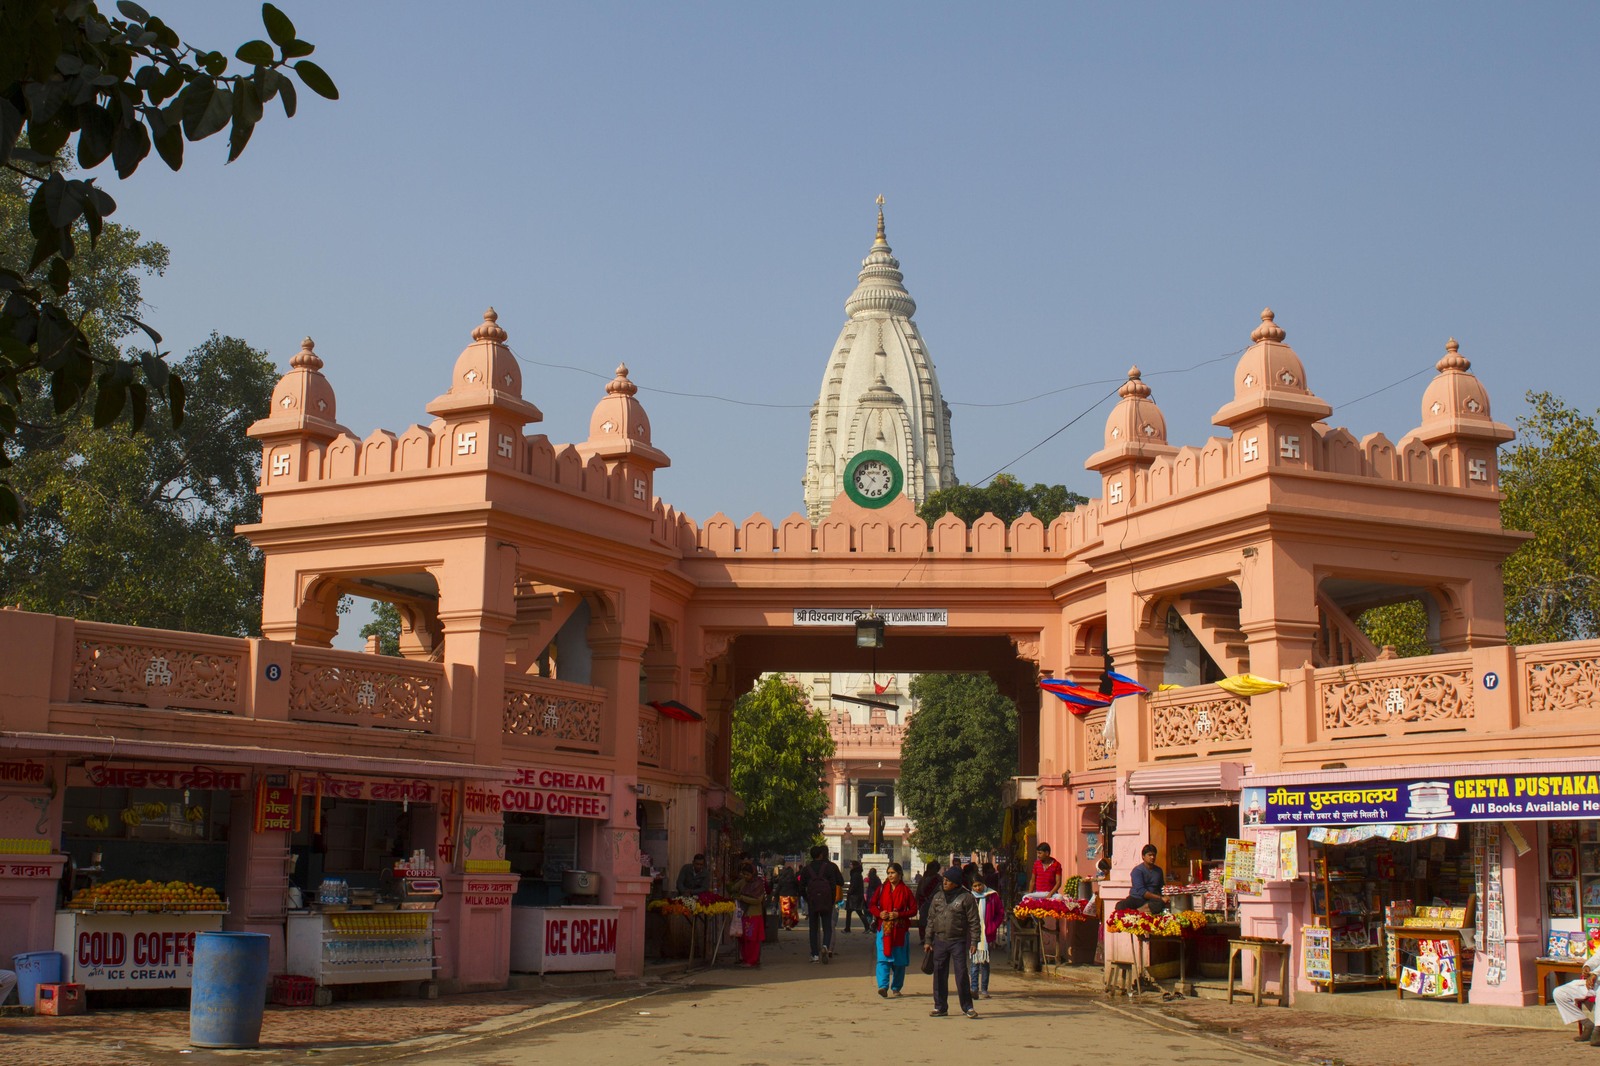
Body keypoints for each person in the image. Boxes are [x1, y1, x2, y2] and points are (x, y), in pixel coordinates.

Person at [924, 865, 980, 1018]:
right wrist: (928, 939)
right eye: (944, 880)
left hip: (958, 941)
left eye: (948, 880)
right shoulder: (938, 897)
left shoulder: (966, 898)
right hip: (940, 940)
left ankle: (967, 1007)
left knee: (961, 973)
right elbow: (931, 919)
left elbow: (974, 921)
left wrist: (974, 941)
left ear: (956, 882)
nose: (945, 883)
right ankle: (940, 1007)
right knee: (939, 974)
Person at [869, 861, 916, 998]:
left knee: (899, 962)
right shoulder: (882, 889)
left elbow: (913, 909)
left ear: (900, 874)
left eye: (893, 873)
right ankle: (883, 986)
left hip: (900, 931)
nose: (890, 876)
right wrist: (879, 913)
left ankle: (896, 987)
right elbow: (872, 905)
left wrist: (899, 914)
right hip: (884, 929)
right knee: (883, 959)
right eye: (888, 873)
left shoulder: (906, 891)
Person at [799, 845, 844, 963]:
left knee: (813, 928)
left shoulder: (806, 869)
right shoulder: (829, 867)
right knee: (827, 926)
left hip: (812, 901)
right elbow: (836, 884)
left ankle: (814, 954)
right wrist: (832, 899)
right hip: (826, 901)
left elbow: (801, 887)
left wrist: (807, 898)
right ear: (821, 855)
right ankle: (825, 945)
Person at [969, 872, 1004, 999]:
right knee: (974, 963)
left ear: (983, 883)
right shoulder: (970, 897)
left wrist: (992, 926)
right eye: (975, 886)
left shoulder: (992, 895)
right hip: (973, 934)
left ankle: (984, 989)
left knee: (984, 962)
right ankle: (973, 989)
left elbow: (1000, 913)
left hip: (987, 934)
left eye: (979, 885)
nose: (978, 888)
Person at [1554, 947, 1600, 1043]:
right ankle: (1587, 1024)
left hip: (1596, 981)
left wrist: (1595, 974)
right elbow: (1596, 958)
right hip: (1594, 983)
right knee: (1559, 993)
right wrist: (1587, 967)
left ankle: (1598, 1030)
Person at [729, 860, 768, 967]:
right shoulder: (743, 882)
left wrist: (742, 897)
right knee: (743, 939)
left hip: (754, 916)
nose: (746, 876)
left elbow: (757, 900)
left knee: (752, 940)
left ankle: (752, 960)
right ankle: (745, 959)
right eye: (744, 874)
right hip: (743, 914)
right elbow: (733, 888)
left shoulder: (758, 884)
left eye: (748, 874)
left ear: (753, 874)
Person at [1119, 844, 1167, 913]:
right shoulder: (1137, 870)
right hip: (1136, 898)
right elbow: (1142, 892)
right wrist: (1160, 898)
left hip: (1152, 899)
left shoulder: (1158, 871)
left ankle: (1137, 911)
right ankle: (1139, 911)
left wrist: (1166, 896)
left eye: (1154, 855)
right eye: (1150, 855)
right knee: (1120, 906)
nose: (1152, 857)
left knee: (1160, 904)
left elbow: (1162, 887)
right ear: (1143, 856)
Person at [916, 860, 942, 943]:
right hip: (923, 903)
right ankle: (923, 938)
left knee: (934, 921)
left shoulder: (939, 880)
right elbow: (919, 891)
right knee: (923, 921)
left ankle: (933, 938)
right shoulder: (924, 879)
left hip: (935, 903)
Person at [843, 859, 869, 932]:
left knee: (856, 912)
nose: (849, 866)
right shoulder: (857, 874)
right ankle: (848, 928)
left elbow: (854, 886)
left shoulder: (855, 874)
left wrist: (850, 892)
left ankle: (848, 928)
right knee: (856, 912)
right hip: (856, 897)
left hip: (854, 897)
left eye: (851, 864)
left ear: (854, 866)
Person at [776, 863, 801, 929]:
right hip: (793, 896)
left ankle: (785, 924)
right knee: (792, 912)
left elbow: (778, 888)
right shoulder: (794, 879)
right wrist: (799, 894)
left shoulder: (782, 880)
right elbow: (798, 888)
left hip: (783, 896)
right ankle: (789, 925)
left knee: (785, 912)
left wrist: (774, 895)